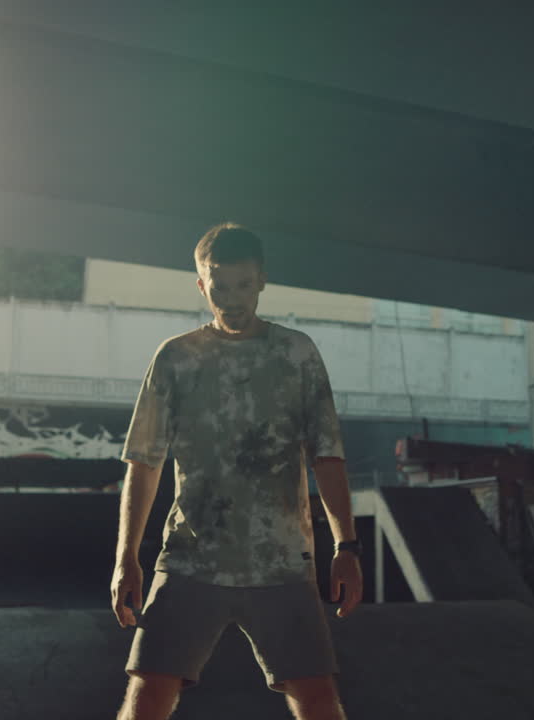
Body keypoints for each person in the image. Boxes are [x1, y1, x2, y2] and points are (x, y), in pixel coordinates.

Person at [112, 223, 362, 720]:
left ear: (262, 281)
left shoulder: (296, 354)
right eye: (219, 286)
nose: (231, 299)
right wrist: (127, 556)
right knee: (147, 698)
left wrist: (346, 546)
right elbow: (144, 462)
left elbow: (327, 455)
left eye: (243, 285)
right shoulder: (176, 358)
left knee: (318, 702)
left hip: (281, 563)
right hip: (190, 559)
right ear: (202, 285)